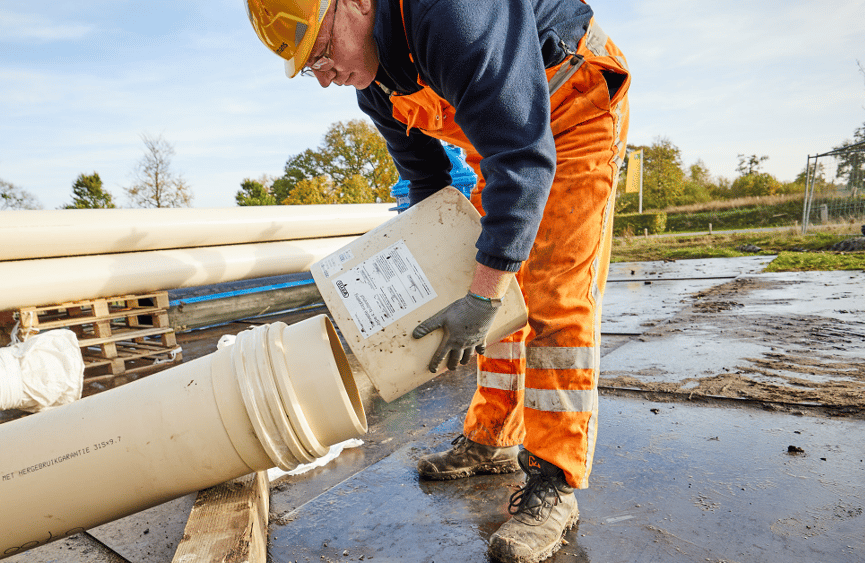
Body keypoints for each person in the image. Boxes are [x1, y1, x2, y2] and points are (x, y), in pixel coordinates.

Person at [245, 0, 630, 561]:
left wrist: (483, 288)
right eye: (311, 68)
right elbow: (426, 183)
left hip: (572, 106)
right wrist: (442, 278)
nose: (325, 77)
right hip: (501, 143)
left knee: (551, 294)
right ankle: (493, 434)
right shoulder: (374, 86)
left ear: (357, 4)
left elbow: (523, 156)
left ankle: (554, 481)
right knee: (484, 288)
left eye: (323, 51)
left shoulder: (451, 13)